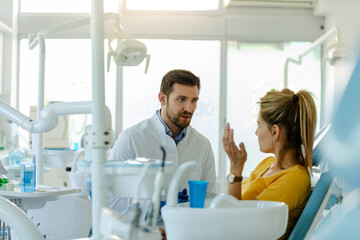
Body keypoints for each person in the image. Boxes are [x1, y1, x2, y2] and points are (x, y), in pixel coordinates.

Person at [109, 69, 216, 205]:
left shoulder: (203, 145)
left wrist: (187, 207)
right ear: (162, 98)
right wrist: (156, 208)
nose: (189, 108)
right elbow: (110, 199)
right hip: (144, 226)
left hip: (187, 225)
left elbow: (209, 197)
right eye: (181, 99)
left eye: (194, 100)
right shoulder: (131, 138)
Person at [222, 88, 317, 239]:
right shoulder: (268, 163)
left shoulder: (294, 180)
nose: (256, 133)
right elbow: (231, 211)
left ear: (275, 132)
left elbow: (238, 225)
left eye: (258, 125)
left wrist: (235, 169)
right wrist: (235, 171)